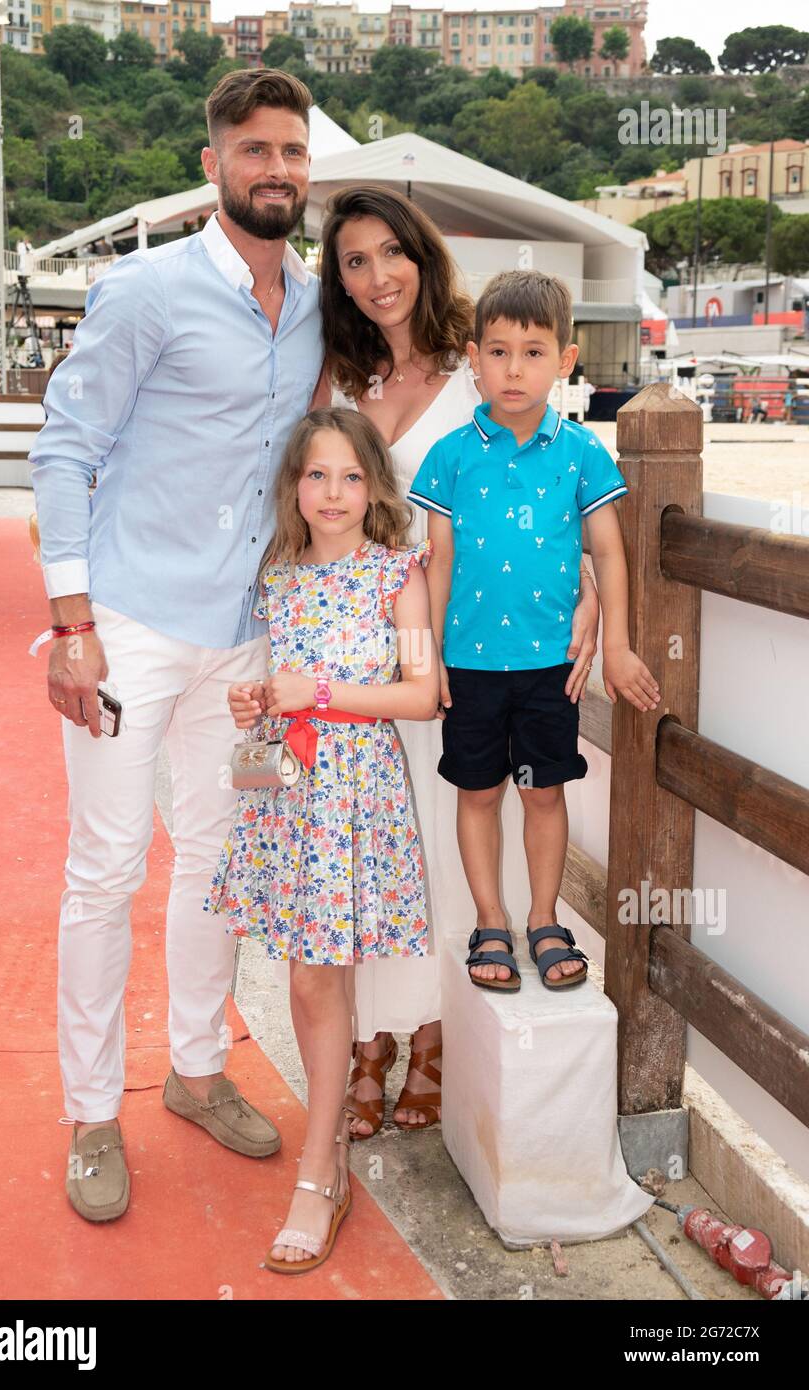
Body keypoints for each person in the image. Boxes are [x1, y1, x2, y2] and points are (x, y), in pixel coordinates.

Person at [28, 68, 323, 1222]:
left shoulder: (310, 306)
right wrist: (72, 625)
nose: (278, 171)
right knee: (105, 870)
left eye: (293, 152)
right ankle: (93, 1114)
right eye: (255, 151)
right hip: (132, 626)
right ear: (214, 164)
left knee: (214, 861)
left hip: (243, 639)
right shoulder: (146, 290)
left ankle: (197, 1071)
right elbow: (65, 446)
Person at [311, 186, 602, 1135]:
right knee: (364, 844)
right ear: (340, 279)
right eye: (354, 260)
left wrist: (595, 594)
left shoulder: (487, 362)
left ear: (423, 256)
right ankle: (369, 1043)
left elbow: (573, 498)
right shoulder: (334, 380)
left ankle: (432, 1033)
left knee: (442, 830)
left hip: (452, 649)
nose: (378, 274)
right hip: (357, 647)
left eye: (392, 251)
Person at [206, 407, 438, 1271]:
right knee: (304, 980)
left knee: (315, 975)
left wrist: (321, 694)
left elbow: (422, 693)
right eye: (316, 476)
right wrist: (261, 699)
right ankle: (330, 1141)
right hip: (286, 796)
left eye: (349, 476)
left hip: (354, 802)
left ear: (374, 485)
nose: (332, 493)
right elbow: (281, 683)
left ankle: (318, 1166)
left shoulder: (396, 575)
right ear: (293, 487)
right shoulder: (278, 576)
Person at [410, 269, 661, 990]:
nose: (513, 369)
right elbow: (439, 562)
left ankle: (544, 918)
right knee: (478, 792)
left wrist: (614, 643)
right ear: (472, 356)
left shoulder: (581, 453)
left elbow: (608, 552)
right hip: (471, 667)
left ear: (566, 361)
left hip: (553, 664)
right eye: (497, 352)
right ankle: (492, 921)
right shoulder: (451, 455)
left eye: (532, 352)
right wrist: (426, 660)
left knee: (544, 793)